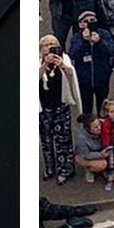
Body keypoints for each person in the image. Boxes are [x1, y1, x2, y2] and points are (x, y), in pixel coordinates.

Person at [38, 35, 81, 182]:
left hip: (60, 105)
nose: (49, 47)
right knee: (46, 139)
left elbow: (71, 74)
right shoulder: (36, 61)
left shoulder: (64, 58)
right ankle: (49, 167)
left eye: (52, 44)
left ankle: (65, 169)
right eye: (46, 45)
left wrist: (61, 65)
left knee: (63, 139)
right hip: (44, 108)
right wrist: (45, 64)